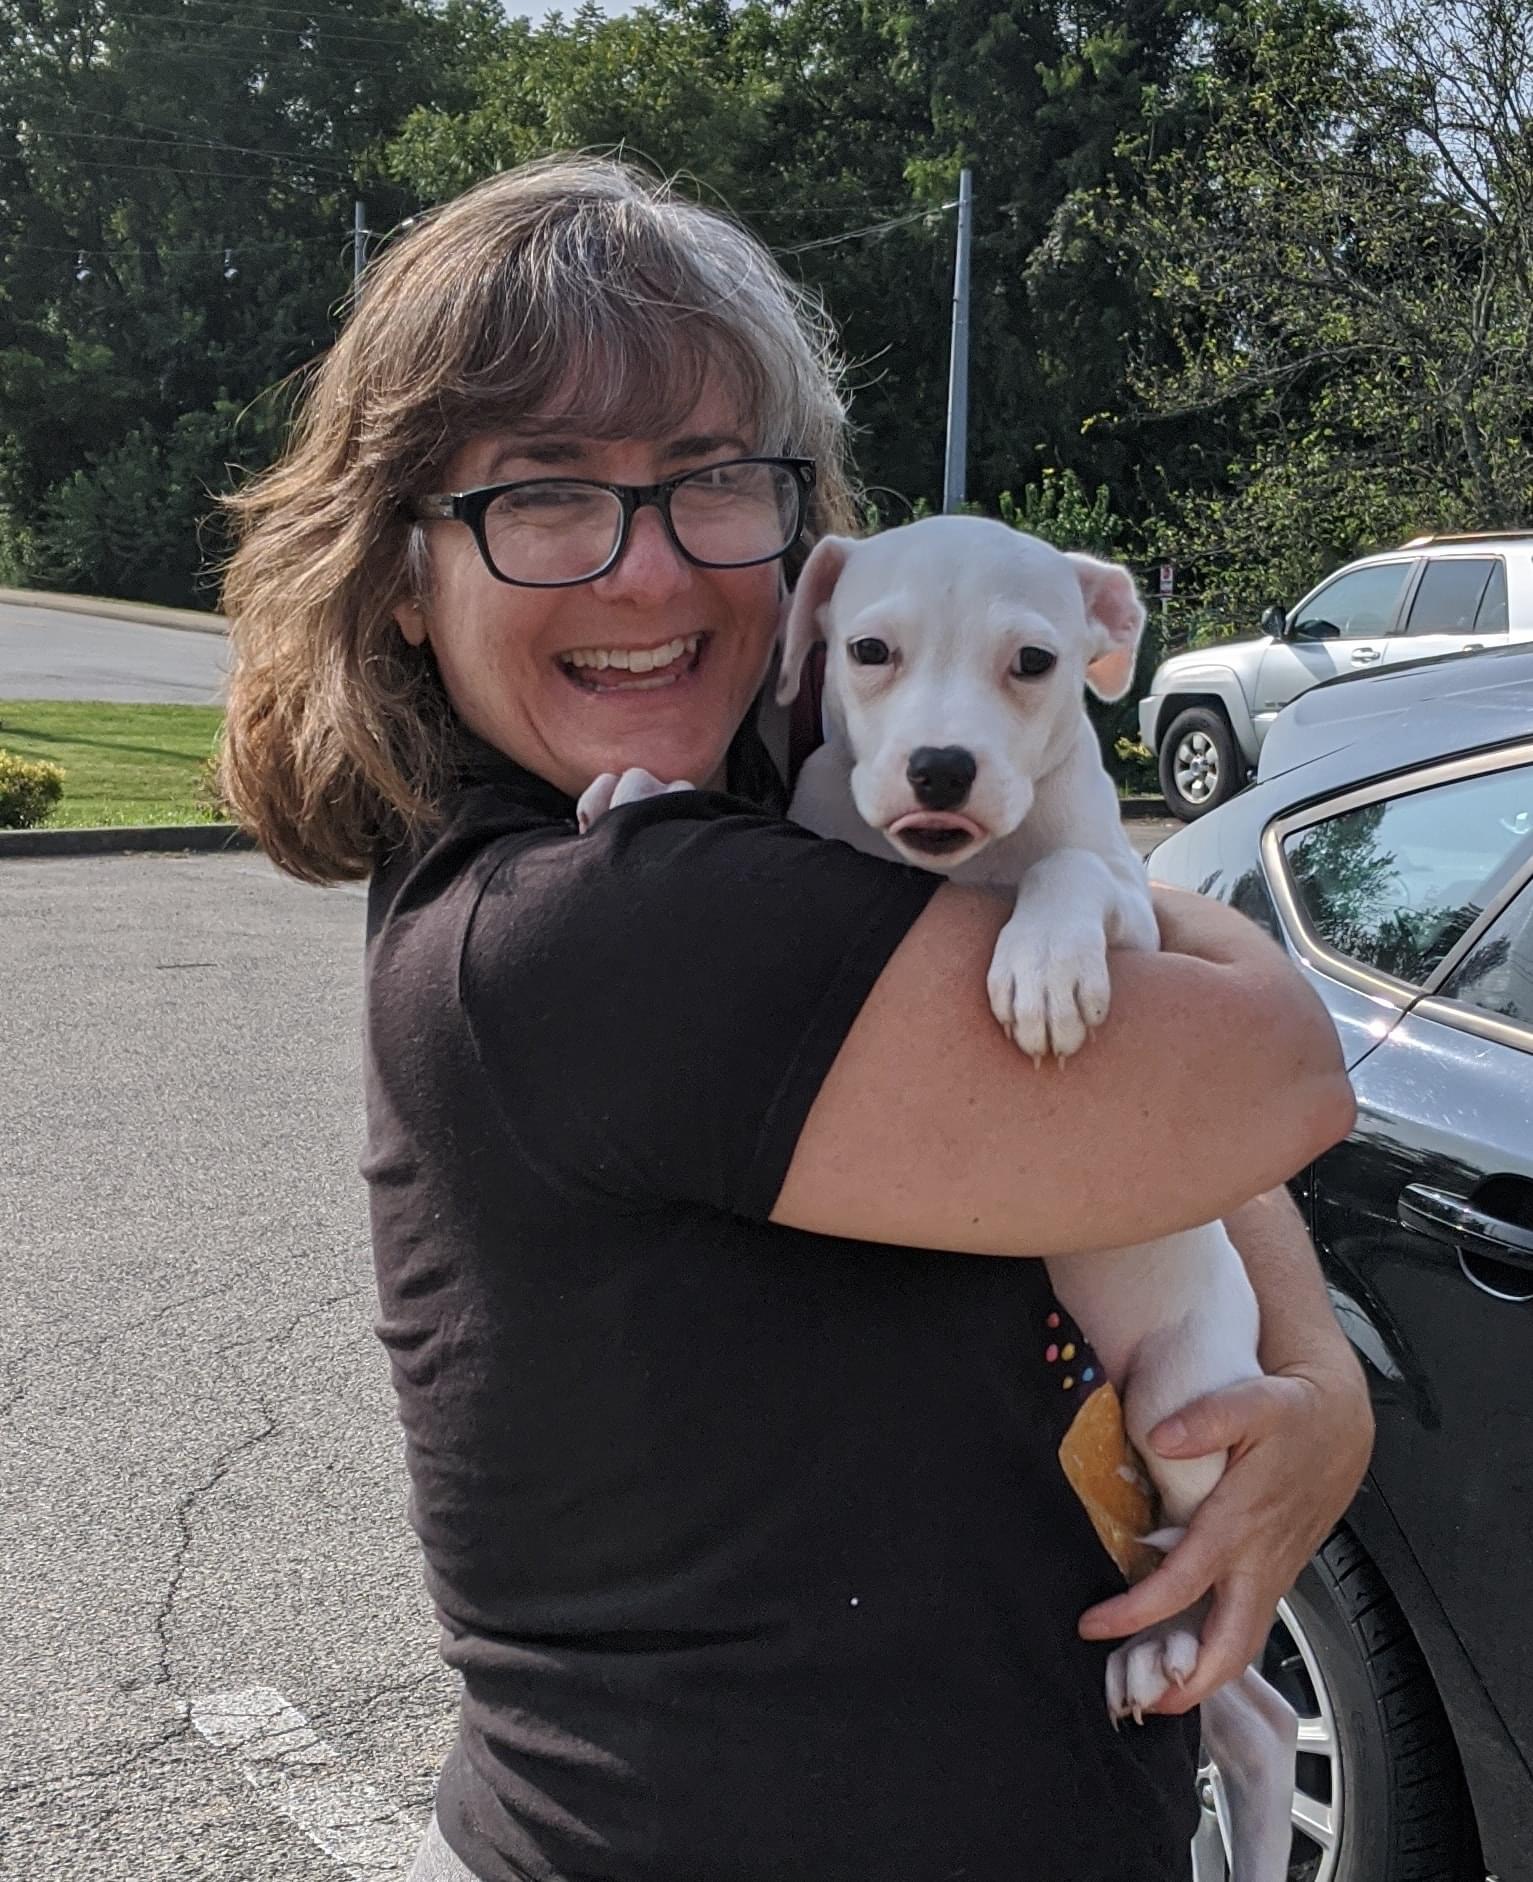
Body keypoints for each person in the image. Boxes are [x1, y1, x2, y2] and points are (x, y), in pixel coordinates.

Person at [218, 155, 1371, 1882]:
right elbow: (1266, 1068)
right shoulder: (606, 928)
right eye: (543, 495)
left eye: (708, 483)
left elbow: (1144, 1130)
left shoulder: (751, 845)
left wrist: (1313, 1389)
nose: (645, 572)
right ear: (398, 572)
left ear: (803, 535)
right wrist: (1100, 888)